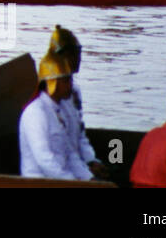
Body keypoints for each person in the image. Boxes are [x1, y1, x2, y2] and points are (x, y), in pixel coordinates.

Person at [18, 53, 94, 180]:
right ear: (52, 83)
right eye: (66, 81)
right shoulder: (36, 113)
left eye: (70, 80)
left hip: (61, 179)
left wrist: (89, 179)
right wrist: (72, 182)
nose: (71, 85)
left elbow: (70, 155)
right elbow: (45, 160)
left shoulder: (59, 111)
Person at [45, 26, 107, 179]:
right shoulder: (49, 99)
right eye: (74, 53)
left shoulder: (74, 91)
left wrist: (91, 161)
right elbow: (55, 155)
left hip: (77, 165)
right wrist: (86, 177)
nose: (79, 57)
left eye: (79, 51)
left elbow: (79, 134)